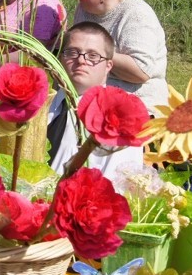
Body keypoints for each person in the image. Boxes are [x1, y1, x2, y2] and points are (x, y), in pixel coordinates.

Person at [71, 0, 167, 115]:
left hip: (136, 103)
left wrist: (97, 52)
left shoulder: (137, 14)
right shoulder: (84, 8)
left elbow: (141, 72)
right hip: (91, 96)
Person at [47, 22, 145, 179]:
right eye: (72, 52)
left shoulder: (118, 119)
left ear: (108, 66)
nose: (81, 60)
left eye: (93, 55)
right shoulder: (43, 105)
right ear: (60, 59)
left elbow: (118, 186)